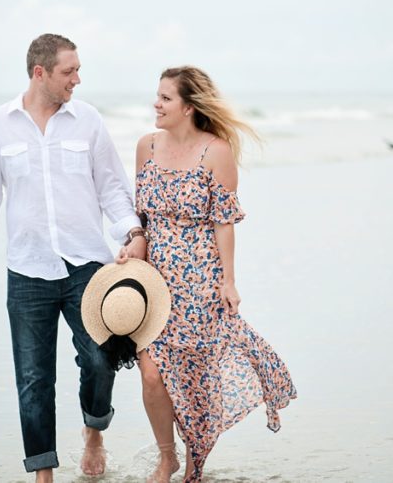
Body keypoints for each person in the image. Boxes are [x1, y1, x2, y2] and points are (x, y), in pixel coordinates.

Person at [0, 33, 147, 482]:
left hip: (87, 266)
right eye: (69, 71)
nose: (77, 80)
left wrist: (134, 231)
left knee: (101, 360)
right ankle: (43, 473)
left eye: (78, 70)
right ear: (39, 73)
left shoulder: (89, 121)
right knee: (33, 379)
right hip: (27, 270)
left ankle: (94, 430)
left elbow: (113, 189)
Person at [116, 66, 297, 482]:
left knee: (195, 382)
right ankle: (168, 455)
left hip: (200, 283)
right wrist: (134, 242)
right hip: (154, 283)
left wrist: (228, 281)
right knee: (151, 376)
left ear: (189, 107)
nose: (155, 105)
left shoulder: (216, 151)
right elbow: (141, 212)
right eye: (156, 96)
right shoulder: (146, 146)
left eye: (165, 98)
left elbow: (224, 222)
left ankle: (196, 461)